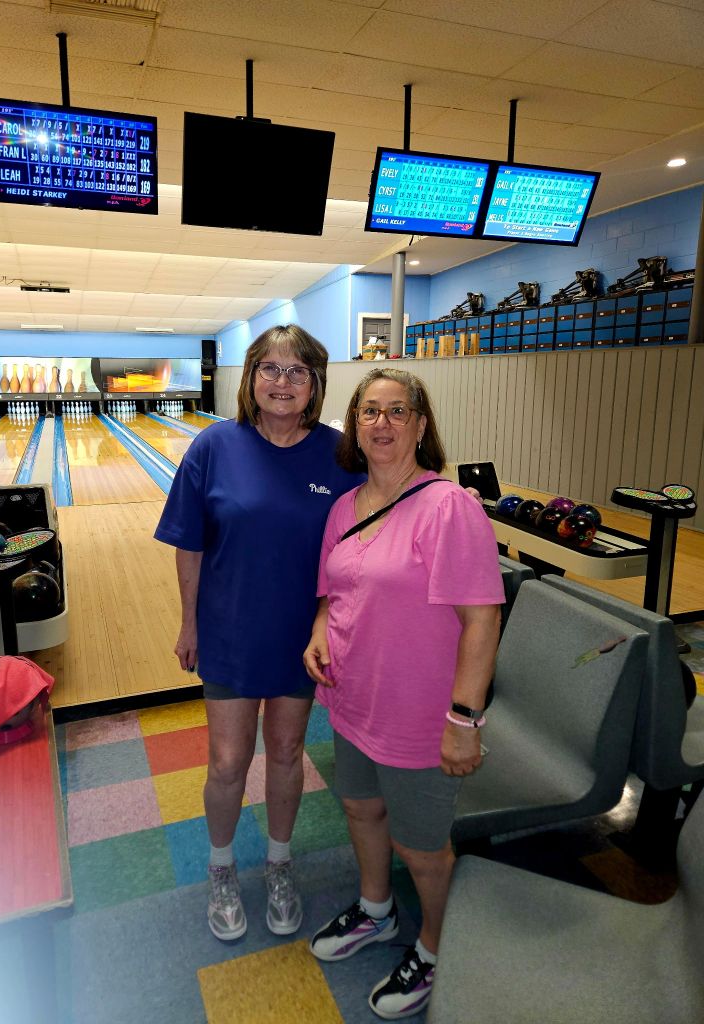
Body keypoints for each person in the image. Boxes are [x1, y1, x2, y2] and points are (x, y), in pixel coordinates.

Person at [303, 367, 504, 1020]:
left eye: (397, 411)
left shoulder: (448, 507)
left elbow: (482, 618)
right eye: (369, 411)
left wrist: (464, 721)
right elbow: (334, 589)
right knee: (361, 810)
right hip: (353, 700)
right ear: (354, 426)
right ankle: (376, 910)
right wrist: (319, 632)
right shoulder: (343, 507)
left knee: (421, 847)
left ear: (420, 426)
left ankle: (437, 948)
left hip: (419, 714)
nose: (382, 423)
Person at [154, 325, 364, 942]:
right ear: (250, 379)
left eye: (297, 371)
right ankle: (221, 869)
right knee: (227, 761)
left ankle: (278, 863)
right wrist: (189, 622)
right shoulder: (214, 446)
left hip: (301, 635)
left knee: (288, 752)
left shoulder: (340, 455)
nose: (282, 381)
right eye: (269, 368)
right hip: (229, 629)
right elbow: (190, 544)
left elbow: (373, 527)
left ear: (315, 384)